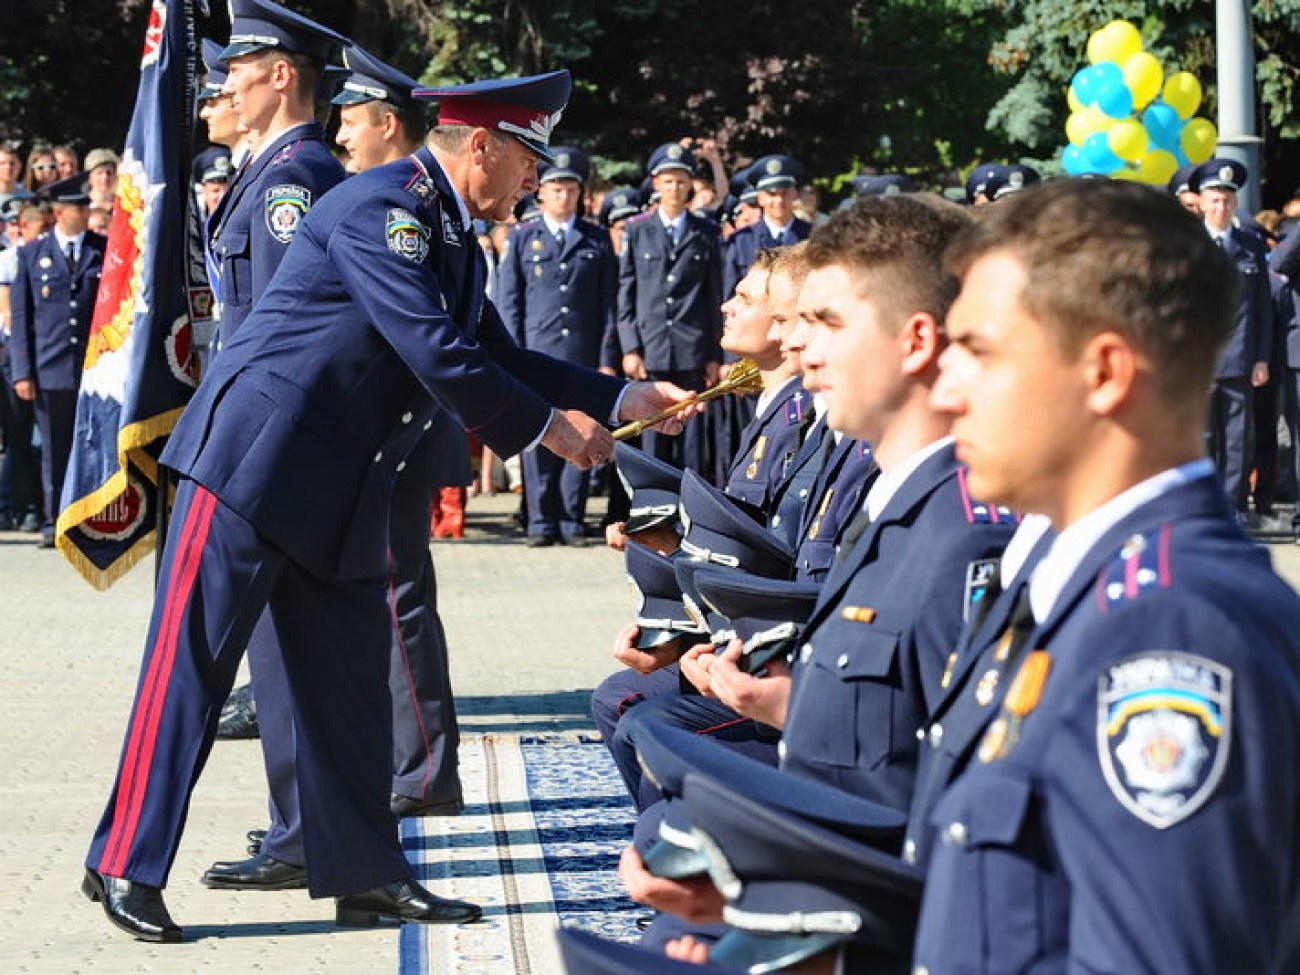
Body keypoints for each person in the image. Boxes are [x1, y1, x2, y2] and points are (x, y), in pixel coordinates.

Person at [82, 55, 694, 942]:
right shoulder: (384, 208)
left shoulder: (443, 225)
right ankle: (120, 862)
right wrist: (554, 432)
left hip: (335, 481)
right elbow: (437, 353)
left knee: (347, 688)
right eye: (529, 162)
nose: (537, 182)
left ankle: (365, 872)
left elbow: (499, 353)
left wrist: (616, 396)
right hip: (252, 464)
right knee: (192, 667)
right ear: (482, 147)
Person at [912, 177, 1300, 973]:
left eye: (978, 351)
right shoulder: (1081, 579)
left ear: (1106, 373)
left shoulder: (1166, 624)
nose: (943, 389)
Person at [619, 195, 1015, 952]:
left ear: (916, 341)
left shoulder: (965, 538)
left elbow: (957, 823)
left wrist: (767, 913)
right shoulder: (901, 505)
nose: (805, 352)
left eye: (829, 323)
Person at [200, 42, 475, 896]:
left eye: (355, 120)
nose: (344, 136)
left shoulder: (310, 183)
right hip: (322, 446)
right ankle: (316, 823)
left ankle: (394, 786)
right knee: (314, 643)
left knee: (380, 619)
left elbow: (320, 341)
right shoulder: (355, 189)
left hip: (341, 445)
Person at [208, 0, 348, 348]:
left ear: (281, 75)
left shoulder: (289, 176)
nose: (226, 87)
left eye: (237, 70)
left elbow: (281, 322)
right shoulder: (278, 166)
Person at [497, 147, 617, 546]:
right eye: (556, 189)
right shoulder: (523, 238)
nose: (564, 197)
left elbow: (609, 306)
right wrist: (510, 356)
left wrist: (606, 358)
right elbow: (509, 302)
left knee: (582, 436)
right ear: (541, 193)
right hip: (535, 356)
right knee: (538, 437)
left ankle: (571, 521)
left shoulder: (596, 239)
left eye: (571, 189)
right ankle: (540, 521)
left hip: (581, 358)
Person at [8, 175, 105, 547]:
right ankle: (54, 520)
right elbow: (22, 320)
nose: (84, 214)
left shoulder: (102, 248)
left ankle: (91, 517)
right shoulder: (32, 254)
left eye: (86, 208)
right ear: (61, 212)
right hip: (51, 368)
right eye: (78, 208)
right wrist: (23, 371)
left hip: (95, 368)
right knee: (54, 449)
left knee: (94, 445)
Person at [618, 142, 723, 474]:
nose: (675, 188)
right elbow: (626, 292)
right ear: (655, 184)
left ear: (690, 184)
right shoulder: (636, 230)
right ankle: (655, 515)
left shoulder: (706, 232)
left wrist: (713, 354)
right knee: (653, 438)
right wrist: (630, 346)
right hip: (651, 348)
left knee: (691, 440)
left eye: (681, 180)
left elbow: (713, 295)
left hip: (692, 348)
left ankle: (688, 514)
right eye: (668, 181)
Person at [1192, 158, 1273, 525]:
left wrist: (1261, 358)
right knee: (1204, 437)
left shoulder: (1251, 247)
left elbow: (1262, 311)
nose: (1221, 207)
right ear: (1202, 202)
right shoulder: (1188, 247)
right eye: (1214, 200)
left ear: (1235, 204)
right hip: (1201, 362)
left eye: (1227, 200)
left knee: (1239, 441)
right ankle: (1204, 509)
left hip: (1241, 360)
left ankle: (1234, 509)